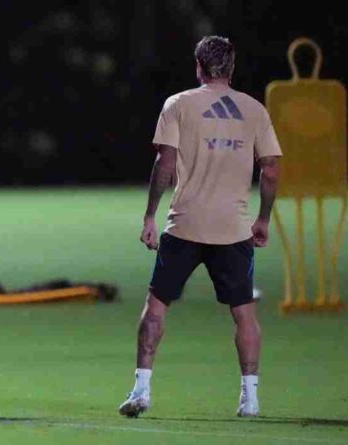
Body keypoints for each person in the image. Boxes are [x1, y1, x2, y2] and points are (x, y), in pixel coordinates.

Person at [117, 36, 282, 418]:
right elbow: (270, 169)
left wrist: (149, 216)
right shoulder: (254, 109)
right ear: (232, 67)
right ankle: (250, 399)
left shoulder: (177, 105)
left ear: (198, 66)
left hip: (185, 224)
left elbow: (165, 164)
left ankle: (141, 390)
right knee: (243, 313)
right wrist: (263, 219)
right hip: (234, 229)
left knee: (156, 306)